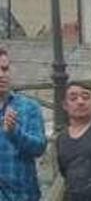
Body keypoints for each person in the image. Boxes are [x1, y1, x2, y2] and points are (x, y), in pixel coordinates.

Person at [0, 47, 46, 201]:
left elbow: (39, 147)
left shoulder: (28, 107)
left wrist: (14, 133)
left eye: (5, 69)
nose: (2, 75)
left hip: (22, 196)